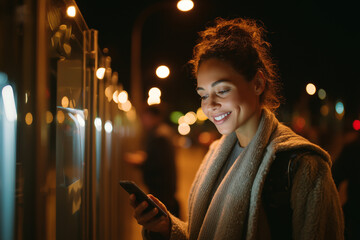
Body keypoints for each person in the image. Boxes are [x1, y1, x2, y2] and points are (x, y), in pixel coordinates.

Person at [129, 17, 344, 239]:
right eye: (203, 95)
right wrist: (167, 227)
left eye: (222, 90)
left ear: (258, 83)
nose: (210, 105)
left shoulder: (304, 166)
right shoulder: (214, 154)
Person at [126, 105, 180, 217]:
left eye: (145, 117)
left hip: (161, 189)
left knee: (161, 221)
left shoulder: (159, 136)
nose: (143, 120)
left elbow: (155, 164)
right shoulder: (163, 132)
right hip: (166, 188)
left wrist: (139, 162)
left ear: (152, 117)